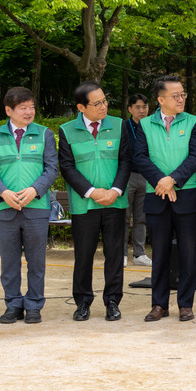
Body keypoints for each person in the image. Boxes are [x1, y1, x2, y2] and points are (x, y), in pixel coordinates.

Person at [0, 87, 58, 324]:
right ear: (8, 110)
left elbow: (52, 168)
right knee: (9, 261)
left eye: (32, 106)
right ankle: (13, 304)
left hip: (36, 208)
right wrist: (3, 192)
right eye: (23, 107)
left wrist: (35, 190)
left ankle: (34, 304)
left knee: (37, 261)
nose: (29, 112)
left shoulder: (44, 134)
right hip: (5, 209)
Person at [133, 75, 196, 322]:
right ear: (160, 99)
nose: (181, 98)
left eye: (182, 94)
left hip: (186, 195)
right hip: (157, 196)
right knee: (160, 254)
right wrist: (161, 182)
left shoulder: (194, 122)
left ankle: (185, 304)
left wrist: (172, 179)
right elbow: (140, 157)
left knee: (188, 253)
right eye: (175, 95)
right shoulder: (144, 125)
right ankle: (159, 305)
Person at [59, 81, 132, 322]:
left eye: (105, 100)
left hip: (115, 202)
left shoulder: (120, 125)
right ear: (81, 107)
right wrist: (91, 191)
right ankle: (82, 302)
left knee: (114, 254)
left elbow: (125, 161)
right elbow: (67, 167)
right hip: (84, 205)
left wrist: (115, 190)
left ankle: (112, 301)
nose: (104, 106)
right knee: (83, 255)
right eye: (97, 103)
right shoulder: (67, 130)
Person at [125, 94, 151, 269]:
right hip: (127, 176)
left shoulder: (151, 126)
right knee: (123, 217)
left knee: (142, 218)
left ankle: (139, 254)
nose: (141, 110)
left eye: (144, 107)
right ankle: (120, 255)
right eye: (138, 107)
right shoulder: (123, 127)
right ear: (130, 109)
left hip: (147, 176)